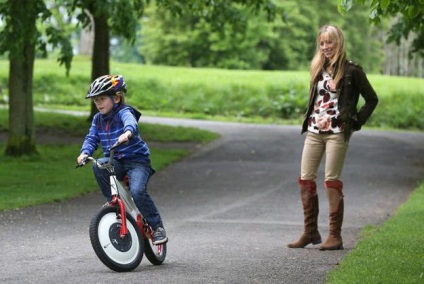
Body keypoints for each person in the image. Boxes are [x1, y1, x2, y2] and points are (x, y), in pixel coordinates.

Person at [287, 25, 378, 250]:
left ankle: (335, 236)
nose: (326, 47)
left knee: (331, 180)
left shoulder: (352, 70)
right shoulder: (318, 67)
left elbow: (371, 99)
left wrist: (355, 123)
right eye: (322, 43)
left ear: (338, 43)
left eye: (330, 42)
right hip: (314, 131)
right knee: (306, 178)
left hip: (337, 133)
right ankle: (310, 232)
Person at [77, 74, 168, 245]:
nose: (98, 103)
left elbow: (130, 123)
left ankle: (157, 228)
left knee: (138, 191)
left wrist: (127, 133)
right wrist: (84, 152)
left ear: (117, 98)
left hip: (137, 161)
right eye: (95, 100)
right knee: (99, 165)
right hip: (115, 160)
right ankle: (112, 202)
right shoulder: (98, 119)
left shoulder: (124, 112)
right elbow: (92, 138)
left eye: (102, 98)